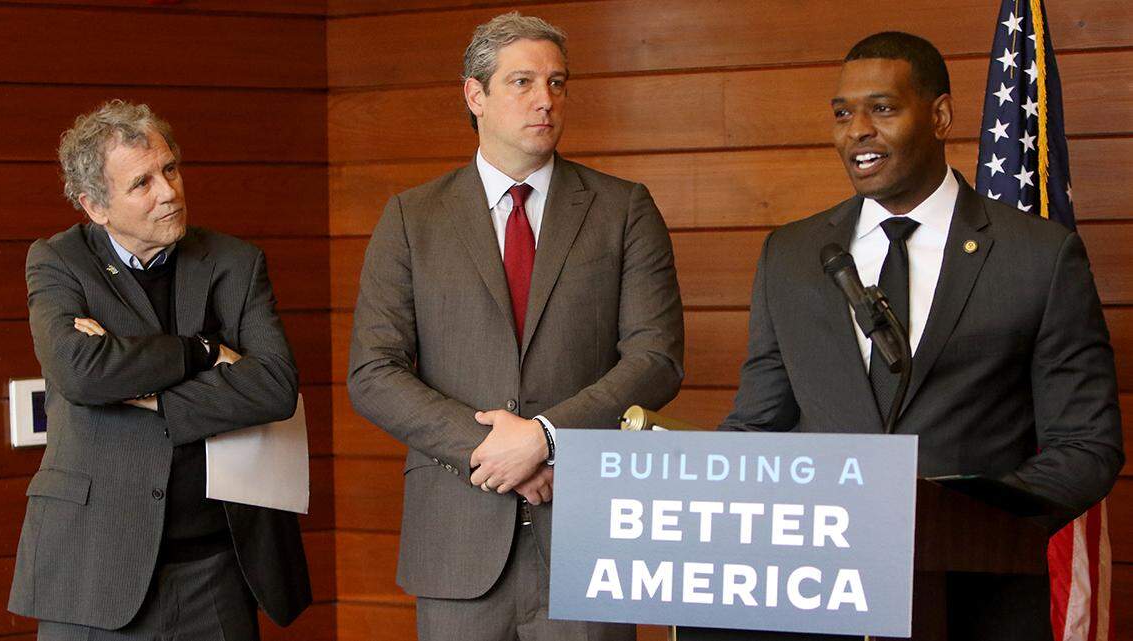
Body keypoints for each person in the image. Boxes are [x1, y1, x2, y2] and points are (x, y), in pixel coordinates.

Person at [717, 32, 1123, 641]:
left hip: (977, 602)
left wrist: (965, 523)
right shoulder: (792, 255)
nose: (856, 129)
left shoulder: (1039, 256)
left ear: (939, 116)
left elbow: (1087, 445)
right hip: (818, 602)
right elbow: (758, 425)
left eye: (881, 108)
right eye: (842, 113)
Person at [347, 11, 684, 641]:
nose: (545, 101)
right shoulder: (411, 218)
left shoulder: (623, 208)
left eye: (558, 83)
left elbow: (655, 358)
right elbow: (373, 372)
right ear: (475, 95)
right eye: (523, 82)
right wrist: (493, 450)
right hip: (457, 534)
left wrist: (548, 436)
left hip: (588, 535)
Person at [9, 100, 311, 640]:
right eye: (141, 183)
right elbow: (81, 376)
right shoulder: (58, 262)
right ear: (95, 206)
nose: (169, 191)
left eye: (170, 169)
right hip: (92, 566)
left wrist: (150, 393)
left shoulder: (234, 262)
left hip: (215, 568)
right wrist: (202, 353)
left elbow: (274, 387)